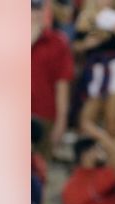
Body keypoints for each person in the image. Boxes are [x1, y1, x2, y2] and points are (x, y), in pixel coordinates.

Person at [73, 0, 115, 140]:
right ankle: (113, 152)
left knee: (113, 122)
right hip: (95, 73)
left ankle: (113, 158)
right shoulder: (85, 19)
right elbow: (73, 48)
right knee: (85, 121)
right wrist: (86, 44)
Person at [31, 5, 73, 151]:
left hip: (44, 116)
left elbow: (62, 84)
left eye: (38, 9)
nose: (34, 14)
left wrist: (61, 121)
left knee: (39, 167)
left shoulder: (57, 42)